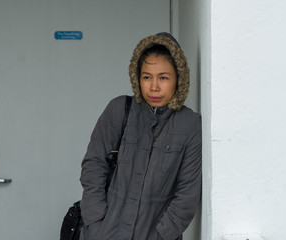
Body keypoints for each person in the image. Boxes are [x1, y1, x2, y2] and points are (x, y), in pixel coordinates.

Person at [79, 32, 202, 240]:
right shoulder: (119, 110)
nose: (154, 87)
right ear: (137, 78)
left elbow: (187, 196)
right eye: (147, 77)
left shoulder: (190, 125)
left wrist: (161, 236)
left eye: (163, 77)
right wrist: (95, 223)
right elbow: (93, 167)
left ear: (178, 79)